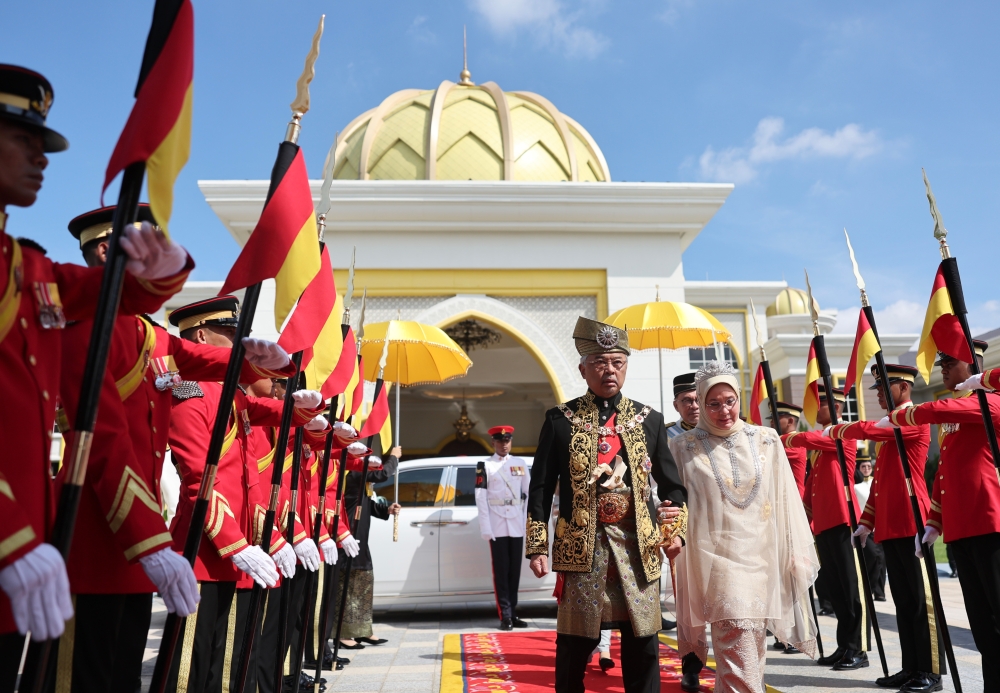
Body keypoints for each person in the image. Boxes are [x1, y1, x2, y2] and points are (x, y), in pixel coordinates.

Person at [0, 64, 195, 692]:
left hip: (23, 563)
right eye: (22, 138)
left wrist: (164, 268)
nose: (42, 156)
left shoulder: (25, 268)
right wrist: (12, 537)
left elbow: (113, 292)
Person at [164, 296, 326, 692]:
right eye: (228, 335)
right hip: (203, 549)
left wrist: (305, 406)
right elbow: (198, 479)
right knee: (189, 666)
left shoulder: (233, 396)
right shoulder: (190, 393)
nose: (236, 345)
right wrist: (234, 541)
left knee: (225, 667)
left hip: (239, 550)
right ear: (200, 335)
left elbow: (278, 415)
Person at [526, 316, 687, 693]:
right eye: (600, 362)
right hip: (583, 546)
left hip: (637, 546)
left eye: (617, 362)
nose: (609, 370)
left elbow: (673, 488)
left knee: (643, 641)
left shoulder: (650, 420)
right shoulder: (559, 420)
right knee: (575, 642)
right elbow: (541, 488)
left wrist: (674, 531)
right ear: (583, 369)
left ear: (626, 366)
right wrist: (536, 545)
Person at [670, 361, 819, 693]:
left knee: (751, 649)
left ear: (739, 397)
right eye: (713, 403)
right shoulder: (682, 447)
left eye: (730, 401)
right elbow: (673, 504)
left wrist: (794, 551)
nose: (724, 410)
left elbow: (783, 499)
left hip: (760, 560)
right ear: (701, 404)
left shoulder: (766, 440)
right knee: (736, 644)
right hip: (714, 562)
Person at [883, 340, 1000, 691]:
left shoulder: (989, 401)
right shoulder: (955, 412)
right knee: (982, 624)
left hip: (990, 522)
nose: (943, 369)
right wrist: (935, 521)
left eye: (950, 362)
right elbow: (945, 474)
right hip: (962, 529)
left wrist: (908, 413)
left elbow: (947, 410)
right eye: (941, 363)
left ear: (973, 364)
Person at [832, 363, 940, 691]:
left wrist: (840, 430)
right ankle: (911, 668)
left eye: (883, 388)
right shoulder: (888, 427)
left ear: (904, 388)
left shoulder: (913, 417)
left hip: (912, 520)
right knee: (904, 601)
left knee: (922, 603)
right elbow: (880, 484)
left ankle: (931, 671)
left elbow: (874, 430)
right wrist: (866, 522)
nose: (878, 394)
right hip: (891, 524)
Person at [783, 388, 869, 671]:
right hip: (825, 522)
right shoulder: (822, 441)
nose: (813, 408)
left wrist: (784, 438)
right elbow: (813, 486)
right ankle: (845, 645)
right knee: (835, 588)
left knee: (851, 586)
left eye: (817, 404)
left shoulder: (843, 432)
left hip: (844, 521)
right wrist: (805, 514)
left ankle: (859, 648)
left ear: (835, 406)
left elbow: (812, 439)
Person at [330, 445, 401, 650]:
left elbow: (364, 503)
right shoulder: (347, 470)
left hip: (360, 534)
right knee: (346, 585)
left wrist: (385, 509)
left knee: (363, 581)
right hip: (346, 535)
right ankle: (343, 633)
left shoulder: (356, 472)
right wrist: (393, 457)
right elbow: (382, 475)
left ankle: (361, 629)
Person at [475, 425, 531, 630]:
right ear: (493, 443)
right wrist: (486, 527)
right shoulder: (485, 465)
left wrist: (527, 522)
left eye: (507, 441)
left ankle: (513, 613)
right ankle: (505, 615)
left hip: (516, 522)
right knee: (501, 571)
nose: (504, 444)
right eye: (500, 441)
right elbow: (481, 499)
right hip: (497, 523)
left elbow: (528, 493)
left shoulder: (520, 463)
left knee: (514, 571)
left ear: (511, 441)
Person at [851, 459, 887, 605]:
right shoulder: (856, 487)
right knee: (872, 556)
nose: (866, 469)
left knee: (881, 560)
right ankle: (870, 587)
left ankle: (879, 591)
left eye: (868, 466)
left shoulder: (876, 483)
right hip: (865, 525)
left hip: (879, 524)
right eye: (863, 466)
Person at [776, 402, 807, 498]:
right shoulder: (779, 441)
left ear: (790, 421)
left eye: (776, 418)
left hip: (793, 498)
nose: (772, 422)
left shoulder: (796, 443)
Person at [665, 373, 698, 439]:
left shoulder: (718, 431)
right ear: (676, 405)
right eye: (687, 400)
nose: (695, 406)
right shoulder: (665, 434)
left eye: (699, 400)